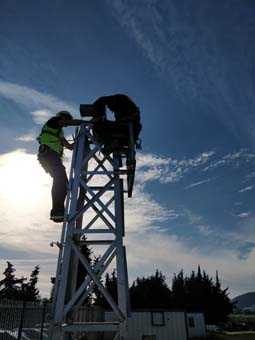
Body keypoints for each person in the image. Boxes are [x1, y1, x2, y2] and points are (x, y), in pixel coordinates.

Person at [37, 111, 83, 223]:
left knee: (63, 183)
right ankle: (56, 210)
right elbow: (67, 122)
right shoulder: (53, 121)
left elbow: (68, 145)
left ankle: (59, 210)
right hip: (48, 155)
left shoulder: (59, 131)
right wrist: (85, 123)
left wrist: (74, 145)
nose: (65, 125)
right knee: (60, 179)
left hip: (49, 157)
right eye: (65, 123)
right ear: (62, 118)